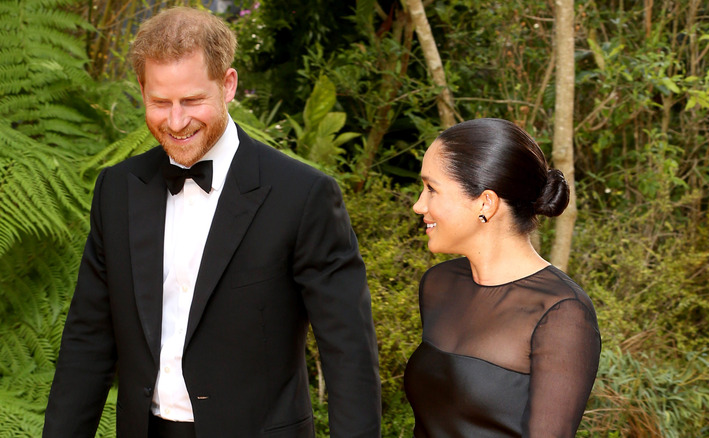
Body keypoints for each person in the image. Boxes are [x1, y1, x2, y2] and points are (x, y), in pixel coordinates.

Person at [43, 7, 381, 438]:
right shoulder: (117, 189)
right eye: (160, 103)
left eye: (193, 100)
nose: (177, 121)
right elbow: (87, 341)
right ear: (142, 91)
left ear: (228, 85)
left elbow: (348, 353)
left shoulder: (303, 195)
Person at [404, 118, 601, 437]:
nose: (418, 205)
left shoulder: (562, 314)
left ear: (486, 202)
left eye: (431, 189)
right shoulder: (439, 284)